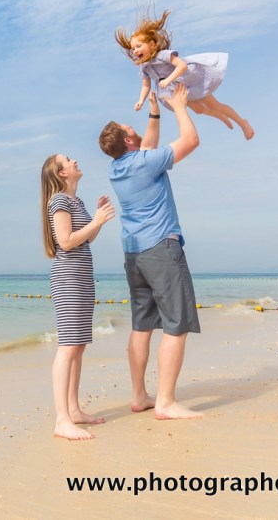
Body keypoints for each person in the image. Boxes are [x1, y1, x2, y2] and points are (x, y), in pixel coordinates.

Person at [98, 85, 202, 420]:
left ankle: (140, 395)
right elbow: (190, 141)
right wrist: (181, 107)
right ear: (129, 141)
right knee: (177, 323)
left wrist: (155, 112)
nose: (137, 129)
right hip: (161, 248)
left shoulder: (119, 167)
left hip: (134, 254)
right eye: (132, 129)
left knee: (142, 325)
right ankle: (166, 402)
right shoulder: (145, 162)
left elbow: (148, 146)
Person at [40, 153, 116, 440]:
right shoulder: (58, 201)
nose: (75, 161)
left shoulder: (76, 202)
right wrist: (95, 221)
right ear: (61, 173)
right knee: (68, 346)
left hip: (83, 277)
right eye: (69, 160)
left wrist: (98, 220)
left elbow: (87, 237)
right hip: (68, 277)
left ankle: (73, 410)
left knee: (80, 345)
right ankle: (61, 420)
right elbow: (67, 241)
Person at [115, 9, 254, 140]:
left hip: (187, 81)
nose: (135, 51)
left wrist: (169, 79)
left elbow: (182, 65)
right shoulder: (144, 67)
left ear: (151, 45)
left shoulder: (162, 55)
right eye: (133, 49)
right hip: (173, 90)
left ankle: (242, 122)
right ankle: (220, 116)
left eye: (138, 46)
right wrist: (141, 101)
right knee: (199, 110)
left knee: (215, 105)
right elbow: (146, 85)